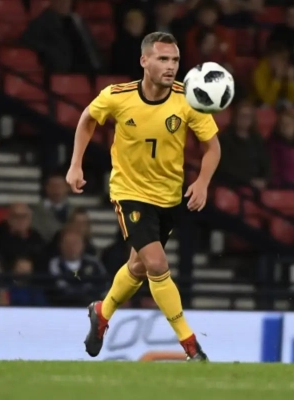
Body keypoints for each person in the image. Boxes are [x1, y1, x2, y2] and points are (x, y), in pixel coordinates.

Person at [65, 32, 221, 361]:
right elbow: (87, 119)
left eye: (175, 60)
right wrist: (76, 163)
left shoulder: (188, 99)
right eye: (163, 59)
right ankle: (191, 346)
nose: (170, 66)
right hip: (130, 193)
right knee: (156, 264)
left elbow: (213, 147)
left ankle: (102, 312)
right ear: (144, 61)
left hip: (169, 196)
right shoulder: (117, 96)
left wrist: (203, 182)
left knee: (137, 267)